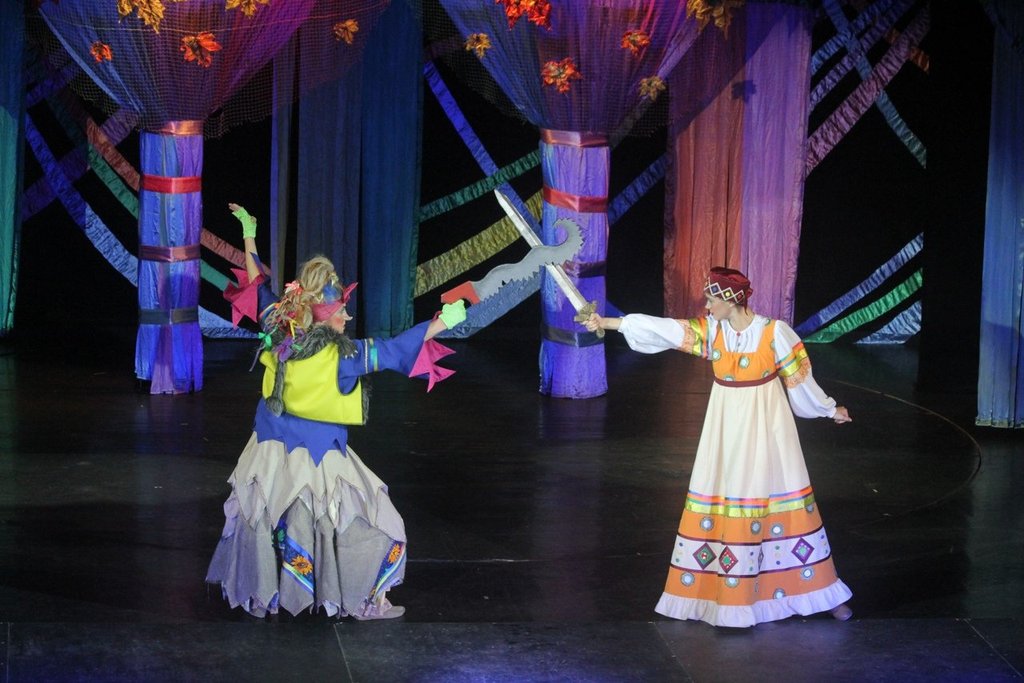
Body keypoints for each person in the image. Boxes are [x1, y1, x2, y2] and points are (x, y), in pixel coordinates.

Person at [207, 203, 466, 620]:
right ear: (325, 314)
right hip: (317, 458)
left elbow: (256, 287)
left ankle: (264, 594)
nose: (348, 315)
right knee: (370, 521)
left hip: (268, 452)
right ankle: (362, 599)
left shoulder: (280, 330)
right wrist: (443, 322)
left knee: (268, 518)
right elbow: (396, 350)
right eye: (342, 309)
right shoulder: (344, 357)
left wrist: (249, 234)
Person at [584, 267, 853, 628]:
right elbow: (667, 330)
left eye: (712, 300)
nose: (707, 307)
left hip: (767, 428)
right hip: (725, 428)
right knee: (725, 495)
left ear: (731, 300)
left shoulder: (774, 333)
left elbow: (800, 379)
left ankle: (819, 591)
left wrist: (828, 409)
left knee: (778, 492)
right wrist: (608, 323)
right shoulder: (714, 332)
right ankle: (722, 594)